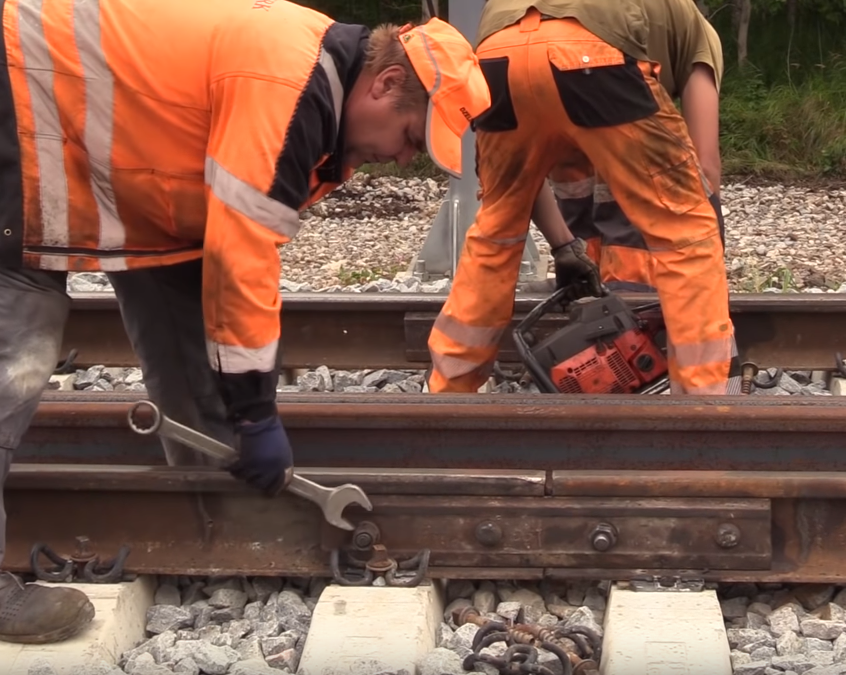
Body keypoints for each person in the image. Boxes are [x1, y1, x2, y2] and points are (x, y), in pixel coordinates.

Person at [0, 0, 490, 644]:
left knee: (185, 330)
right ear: (387, 84)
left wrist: (239, 421)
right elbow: (242, 254)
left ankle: (208, 517)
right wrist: (256, 414)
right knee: (16, 353)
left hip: (106, 169)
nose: (403, 159)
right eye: (407, 137)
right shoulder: (288, 89)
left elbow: (218, 256)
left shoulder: (317, 91)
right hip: (20, 109)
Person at [426, 0, 741, 397]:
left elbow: (529, 184)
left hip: (495, 53)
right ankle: (701, 410)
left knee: (497, 229)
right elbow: (706, 167)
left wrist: (564, 247)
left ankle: (448, 393)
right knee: (687, 230)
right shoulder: (699, 35)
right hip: (593, 52)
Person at [539, 0, 727, 292]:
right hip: (616, 95)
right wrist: (710, 264)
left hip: (540, 60)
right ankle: (626, 306)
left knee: (578, 183)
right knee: (629, 203)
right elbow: (706, 162)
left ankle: (586, 289)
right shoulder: (699, 34)